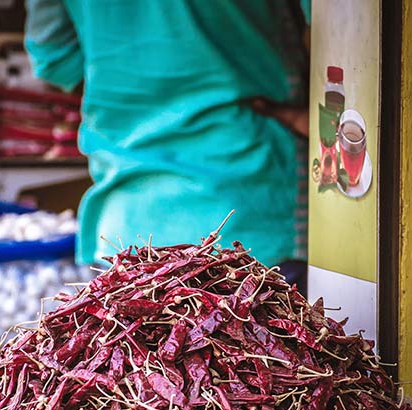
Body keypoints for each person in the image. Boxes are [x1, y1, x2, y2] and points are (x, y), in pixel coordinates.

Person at [25, 0, 311, 286]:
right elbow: (337, 26)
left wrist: (139, 98)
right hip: (252, 213)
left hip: (125, 227)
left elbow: (55, 57)